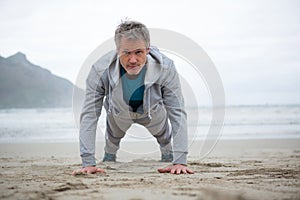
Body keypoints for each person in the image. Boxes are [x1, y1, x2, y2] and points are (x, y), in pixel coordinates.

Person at [72, 20, 194, 175]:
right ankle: (109, 156)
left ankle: (168, 154)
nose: (133, 60)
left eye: (138, 52)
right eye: (126, 53)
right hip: (118, 114)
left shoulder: (166, 68)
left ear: (148, 50)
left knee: (164, 138)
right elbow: (89, 114)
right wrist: (88, 161)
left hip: (153, 112)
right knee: (112, 141)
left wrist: (180, 161)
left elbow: (177, 112)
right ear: (117, 51)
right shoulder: (99, 70)